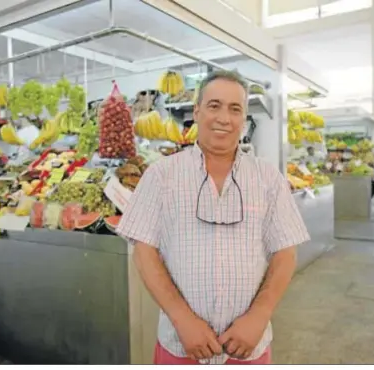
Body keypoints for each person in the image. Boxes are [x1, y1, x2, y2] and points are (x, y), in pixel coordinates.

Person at [117, 70, 309, 365]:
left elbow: (285, 252)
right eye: (214, 105)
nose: (224, 118)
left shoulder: (267, 177)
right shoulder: (161, 175)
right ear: (197, 112)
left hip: (248, 347)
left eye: (235, 109)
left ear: (244, 119)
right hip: (180, 345)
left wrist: (259, 316)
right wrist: (182, 318)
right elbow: (144, 252)